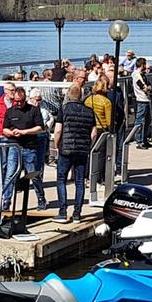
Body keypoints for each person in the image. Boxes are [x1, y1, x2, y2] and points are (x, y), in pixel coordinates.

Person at [53, 84, 95, 223]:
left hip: (66, 148)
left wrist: (56, 145)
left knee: (61, 180)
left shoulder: (64, 109)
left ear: (68, 95)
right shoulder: (89, 111)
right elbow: (93, 133)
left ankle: (63, 212)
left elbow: (58, 130)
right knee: (79, 181)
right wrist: (89, 145)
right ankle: (77, 214)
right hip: (82, 149)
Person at [0, 86, 47, 212]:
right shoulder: (10, 111)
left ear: (25, 99)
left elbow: (40, 128)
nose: (19, 104)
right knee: (10, 174)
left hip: (29, 147)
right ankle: (6, 200)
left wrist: (24, 132)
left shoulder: (33, 110)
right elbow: (4, 128)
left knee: (33, 174)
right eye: (17, 101)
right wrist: (9, 133)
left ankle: (41, 198)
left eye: (21, 101)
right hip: (14, 146)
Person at [86, 78, 114, 186]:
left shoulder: (88, 99)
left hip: (89, 128)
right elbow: (108, 121)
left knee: (90, 153)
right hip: (101, 130)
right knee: (101, 155)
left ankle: (87, 176)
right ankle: (99, 178)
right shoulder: (106, 102)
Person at [132, 58, 152, 149]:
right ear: (142, 65)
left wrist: (148, 87)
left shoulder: (143, 75)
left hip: (146, 99)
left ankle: (144, 139)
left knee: (148, 121)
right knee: (140, 121)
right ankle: (139, 141)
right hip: (141, 100)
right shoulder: (136, 75)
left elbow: (150, 86)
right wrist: (147, 88)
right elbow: (144, 87)